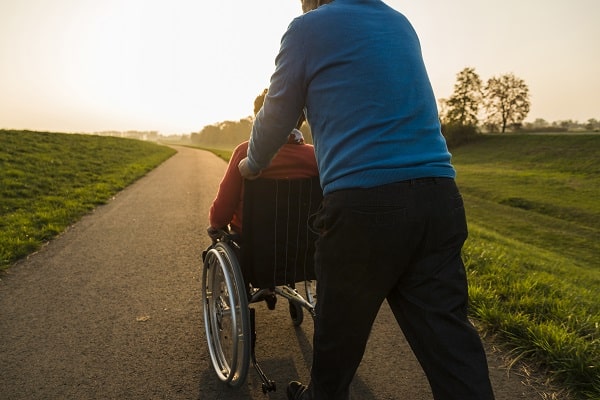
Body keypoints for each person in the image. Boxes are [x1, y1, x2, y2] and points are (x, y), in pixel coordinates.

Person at [238, 1, 496, 399]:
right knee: (450, 346)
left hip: (365, 206)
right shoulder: (399, 22)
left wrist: (253, 164)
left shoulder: (307, 28)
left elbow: (277, 112)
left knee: (337, 340)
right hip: (438, 196)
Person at [207, 90, 318, 240]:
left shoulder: (245, 152)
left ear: (260, 119)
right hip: (303, 247)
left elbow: (220, 215)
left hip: (250, 246)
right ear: (301, 120)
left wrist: (216, 225)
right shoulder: (317, 157)